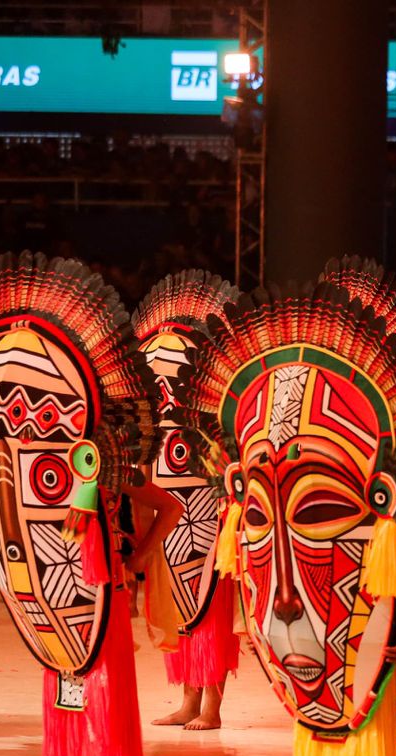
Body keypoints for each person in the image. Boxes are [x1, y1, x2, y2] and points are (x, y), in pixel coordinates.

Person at [179, 259, 396, 756]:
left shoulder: (381, 467)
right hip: (305, 588)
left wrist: (395, 623)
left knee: (365, 695)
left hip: (365, 593)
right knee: (315, 698)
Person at [0, 253, 171, 756]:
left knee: (105, 673)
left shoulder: (105, 464)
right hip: (43, 588)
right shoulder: (8, 461)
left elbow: (166, 505)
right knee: (62, 667)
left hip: (102, 585)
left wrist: (138, 559)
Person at [131, 271, 243, 732]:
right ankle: (188, 696)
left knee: (211, 600)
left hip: (205, 495)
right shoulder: (148, 359)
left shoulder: (213, 378)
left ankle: (212, 703)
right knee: (175, 595)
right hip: (164, 495)